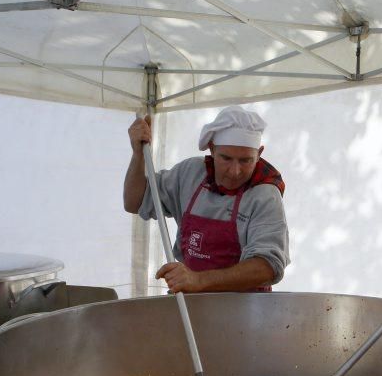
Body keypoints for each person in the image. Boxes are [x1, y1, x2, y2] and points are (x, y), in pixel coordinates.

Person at [124, 106, 289, 293]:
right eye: (226, 158)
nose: (235, 172)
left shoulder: (265, 195)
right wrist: (138, 155)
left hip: (247, 313)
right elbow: (134, 202)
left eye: (246, 161)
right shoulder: (189, 174)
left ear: (259, 153)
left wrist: (199, 280)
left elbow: (268, 267)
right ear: (212, 149)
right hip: (192, 307)